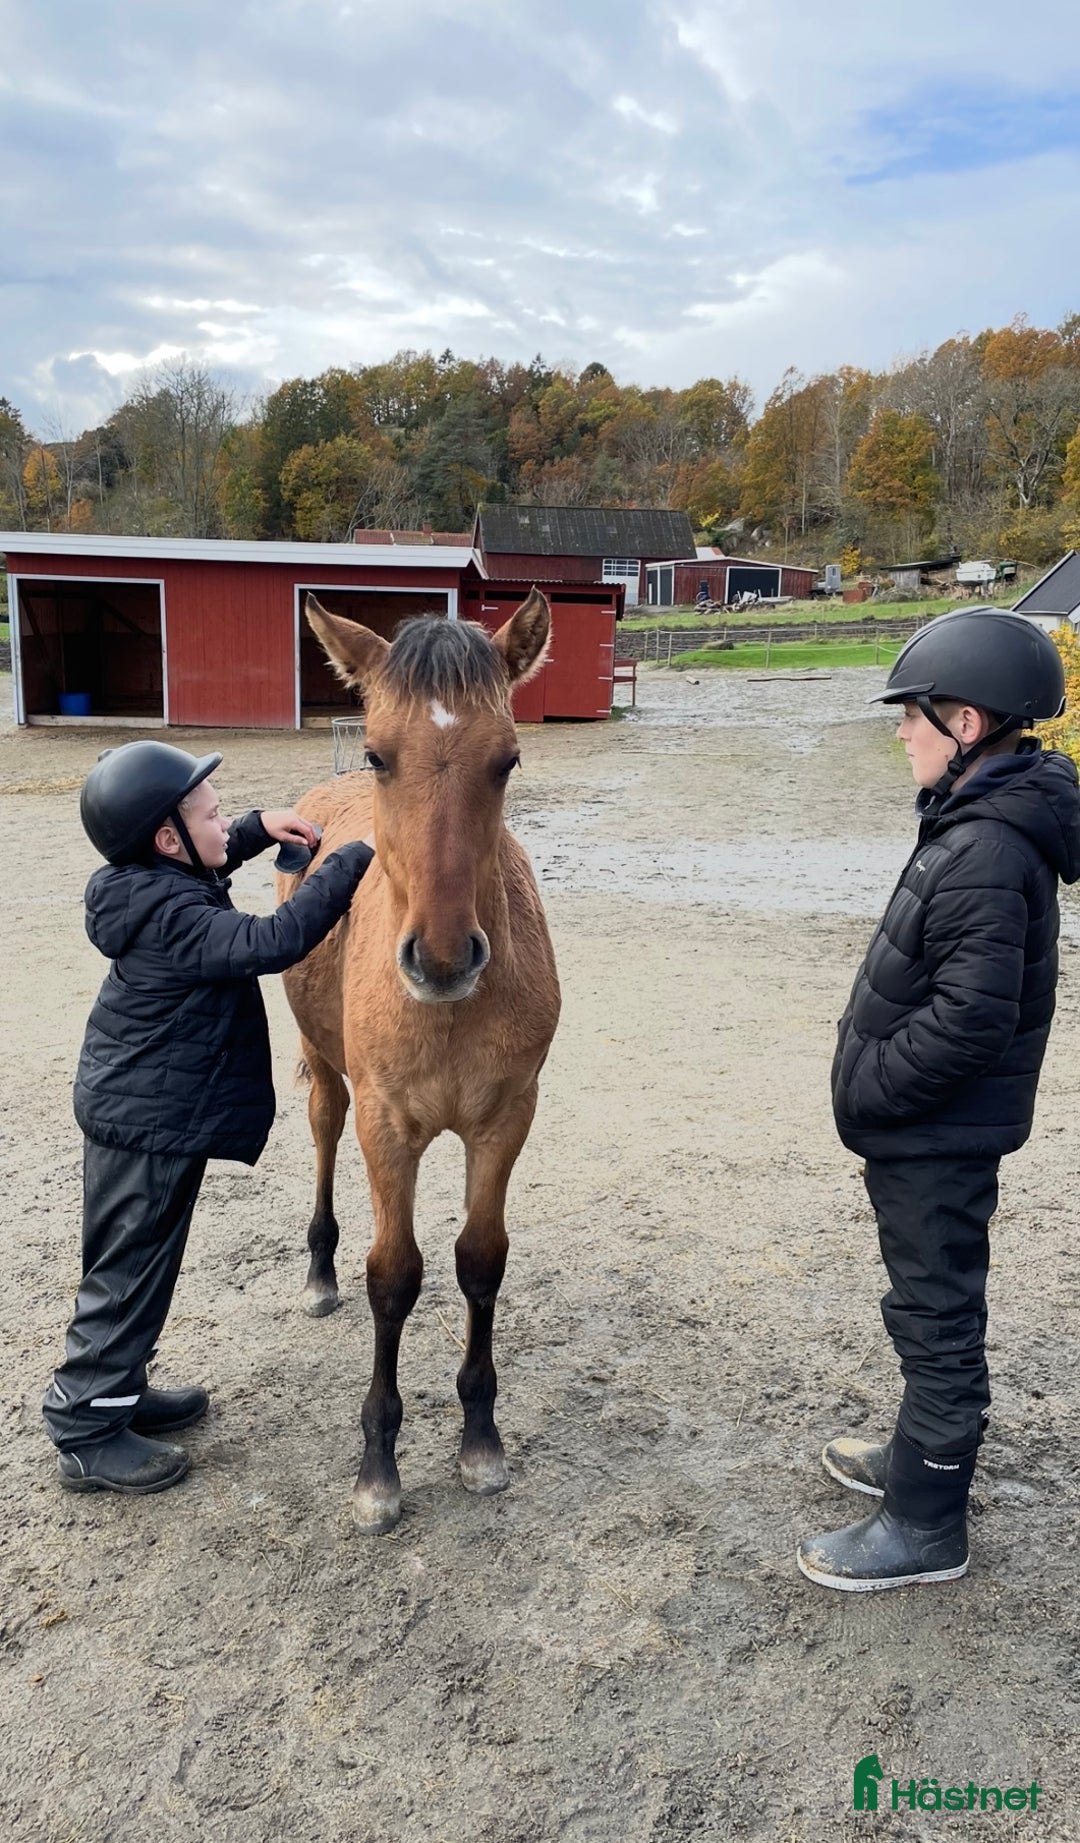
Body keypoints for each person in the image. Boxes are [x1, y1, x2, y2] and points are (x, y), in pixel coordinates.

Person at [797, 608, 1080, 1591]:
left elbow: (970, 1022)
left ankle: (926, 1525)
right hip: (931, 1134)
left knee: (936, 1316)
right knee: (925, 1303)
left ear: (966, 724)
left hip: (935, 1136)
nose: (901, 733)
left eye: (913, 716)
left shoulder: (988, 850)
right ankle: (920, 1455)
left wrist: (868, 1090)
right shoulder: (974, 825)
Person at [42, 740, 374, 1496]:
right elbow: (274, 940)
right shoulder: (172, 913)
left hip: (148, 1113)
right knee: (125, 1274)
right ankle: (86, 1429)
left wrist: (263, 825)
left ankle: (119, 1389)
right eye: (213, 813)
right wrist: (352, 862)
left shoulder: (152, 882)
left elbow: (211, 862)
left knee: (142, 1266)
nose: (225, 823)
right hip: (146, 1122)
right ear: (168, 840)